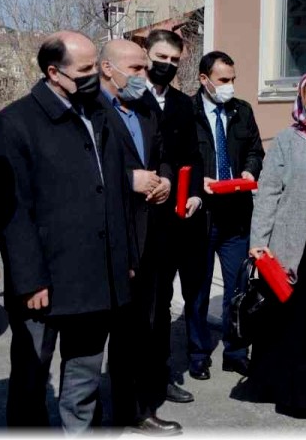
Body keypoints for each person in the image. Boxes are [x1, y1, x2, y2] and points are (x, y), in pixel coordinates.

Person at [0, 31, 136, 432]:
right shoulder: (14, 124)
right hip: (43, 283)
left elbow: (117, 191)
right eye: (84, 70)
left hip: (95, 277)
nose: (94, 77)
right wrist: (31, 279)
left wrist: (125, 259)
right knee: (32, 379)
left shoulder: (100, 115)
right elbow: (10, 211)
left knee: (84, 378)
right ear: (54, 73)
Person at [98, 39, 185, 436]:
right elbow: (80, 168)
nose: (142, 76)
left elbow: (163, 151)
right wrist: (127, 179)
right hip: (107, 237)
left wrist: (165, 178)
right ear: (106, 69)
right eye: (135, 69)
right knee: (91, 339)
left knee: (140, 330)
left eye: (143, 68)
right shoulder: (90, 110)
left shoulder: (147, 107)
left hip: (149, 232)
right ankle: (89, 414)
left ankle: (135, 408)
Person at [246, 70, 306, 420]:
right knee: (295, 323)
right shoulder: (288, 139)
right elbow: (268, 191)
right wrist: (259, 242)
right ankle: (296, 396)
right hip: (293, 243)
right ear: (302, 101)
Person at [189, 50, 264, 379]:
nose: (230, 86)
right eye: (223, 80)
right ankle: (197, 353)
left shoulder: (242, 111)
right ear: (204, 80)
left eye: (233, 79)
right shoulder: (185, 112)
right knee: (198, 290)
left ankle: (235, 351)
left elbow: (255, 149)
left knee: (238, 290)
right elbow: (175, 156)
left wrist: (249, 171)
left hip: (236, 215)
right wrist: (195, 181)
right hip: (201, 217)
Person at [140, 29, 201, 401]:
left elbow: (192, 155)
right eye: (161, 57)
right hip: (138, 214)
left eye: (175, 61)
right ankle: (131, 380)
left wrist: (193, 193)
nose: (168, 65)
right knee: (139, 306)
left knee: (163, 304)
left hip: (173, 218)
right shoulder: (130, 98)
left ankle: (160, 377)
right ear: (147, 54)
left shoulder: (182, 103)